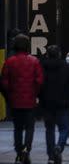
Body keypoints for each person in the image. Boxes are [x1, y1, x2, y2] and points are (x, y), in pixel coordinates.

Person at [1, 34, 43, 164]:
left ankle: (19, 151)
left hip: (15, 101)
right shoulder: (34, 61)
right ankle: (26, 149)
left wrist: (8, 97)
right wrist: (35, 95)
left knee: (17, 128)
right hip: (30, 101)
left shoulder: (9, 62)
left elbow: (4, 82)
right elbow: (39, 81)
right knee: (30, 127)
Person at [40, 45, 69, 164]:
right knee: (65, 128)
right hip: (63, 103)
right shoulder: (67, 68)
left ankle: (51, 156)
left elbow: (39, 84)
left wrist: (41, 98)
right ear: (59, 54)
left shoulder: (43, 66)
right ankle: (59, 147)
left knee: (49, 129)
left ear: (47, 54)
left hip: (48, 103)